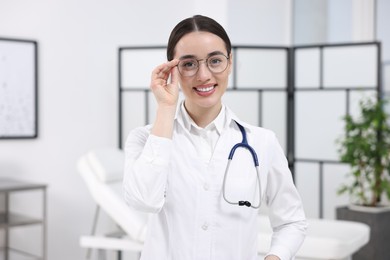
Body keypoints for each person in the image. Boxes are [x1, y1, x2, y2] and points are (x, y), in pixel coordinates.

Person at [123, 15, 307, 260]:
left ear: (230, 63)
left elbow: (292, 222)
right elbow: (143, 201)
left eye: (215, 61)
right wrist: (166, 108)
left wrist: (276, 256)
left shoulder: (262, 143)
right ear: (171, 70)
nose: (204, 75)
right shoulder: (146, 139)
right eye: (189, 64)